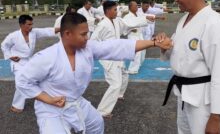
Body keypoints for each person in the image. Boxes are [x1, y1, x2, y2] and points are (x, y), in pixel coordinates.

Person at [16, 13, 173, 134]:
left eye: (87, 33)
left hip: (76, 102)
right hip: (50, 109)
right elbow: (23, 81)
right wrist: (48, 99)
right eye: (83, 34)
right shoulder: (46, 57)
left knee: (96, 123)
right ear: (67, 34)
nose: (87, 37)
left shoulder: (88, 48)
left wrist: (153, 43)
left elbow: (116, 46)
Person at [159, 0, 220, 134]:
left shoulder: (215, 23)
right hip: (183, 95)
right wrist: (165, 47)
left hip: (203, 101)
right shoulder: (184, 19)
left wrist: (216, 117)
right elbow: (178, 53)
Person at [91, 0, 154, 117]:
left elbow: (128, 24)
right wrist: (101, 52)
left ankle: (119, 94)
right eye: (115, 10)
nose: (117, 12)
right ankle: (102, 111)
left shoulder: (116, 21)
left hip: (117, 55)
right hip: (108, 57)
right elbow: (93, 42)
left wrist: (145, 19)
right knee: (115, 83)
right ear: (108, 11)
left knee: (125, 75)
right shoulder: (102, 25)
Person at [1, 15, 60, 113]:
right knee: (21, 81)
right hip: (18, 62)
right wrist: (10, 56)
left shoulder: (33, 32)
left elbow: (47, 31)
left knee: (41, 77)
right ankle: (16, 105)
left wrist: (63, 28)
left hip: (29, 61)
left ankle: (45, 97)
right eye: (28, 24)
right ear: (21, 25)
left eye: (32, 24)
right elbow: (4, 46)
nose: (31, 26)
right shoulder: (14, 36)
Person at [123, 1, 154, 74]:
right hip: (133, 36)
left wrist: (152, 19)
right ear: (130, 7)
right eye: (135, 6)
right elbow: (124, 27)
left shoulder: (138, 14)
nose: (137, 7)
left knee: (143, 51)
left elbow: (144, 20)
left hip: (140, 35)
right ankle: (132, 69)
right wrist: (130, 30)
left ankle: (138, 65)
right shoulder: (127, 17)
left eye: (137, 5)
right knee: (137, 53)